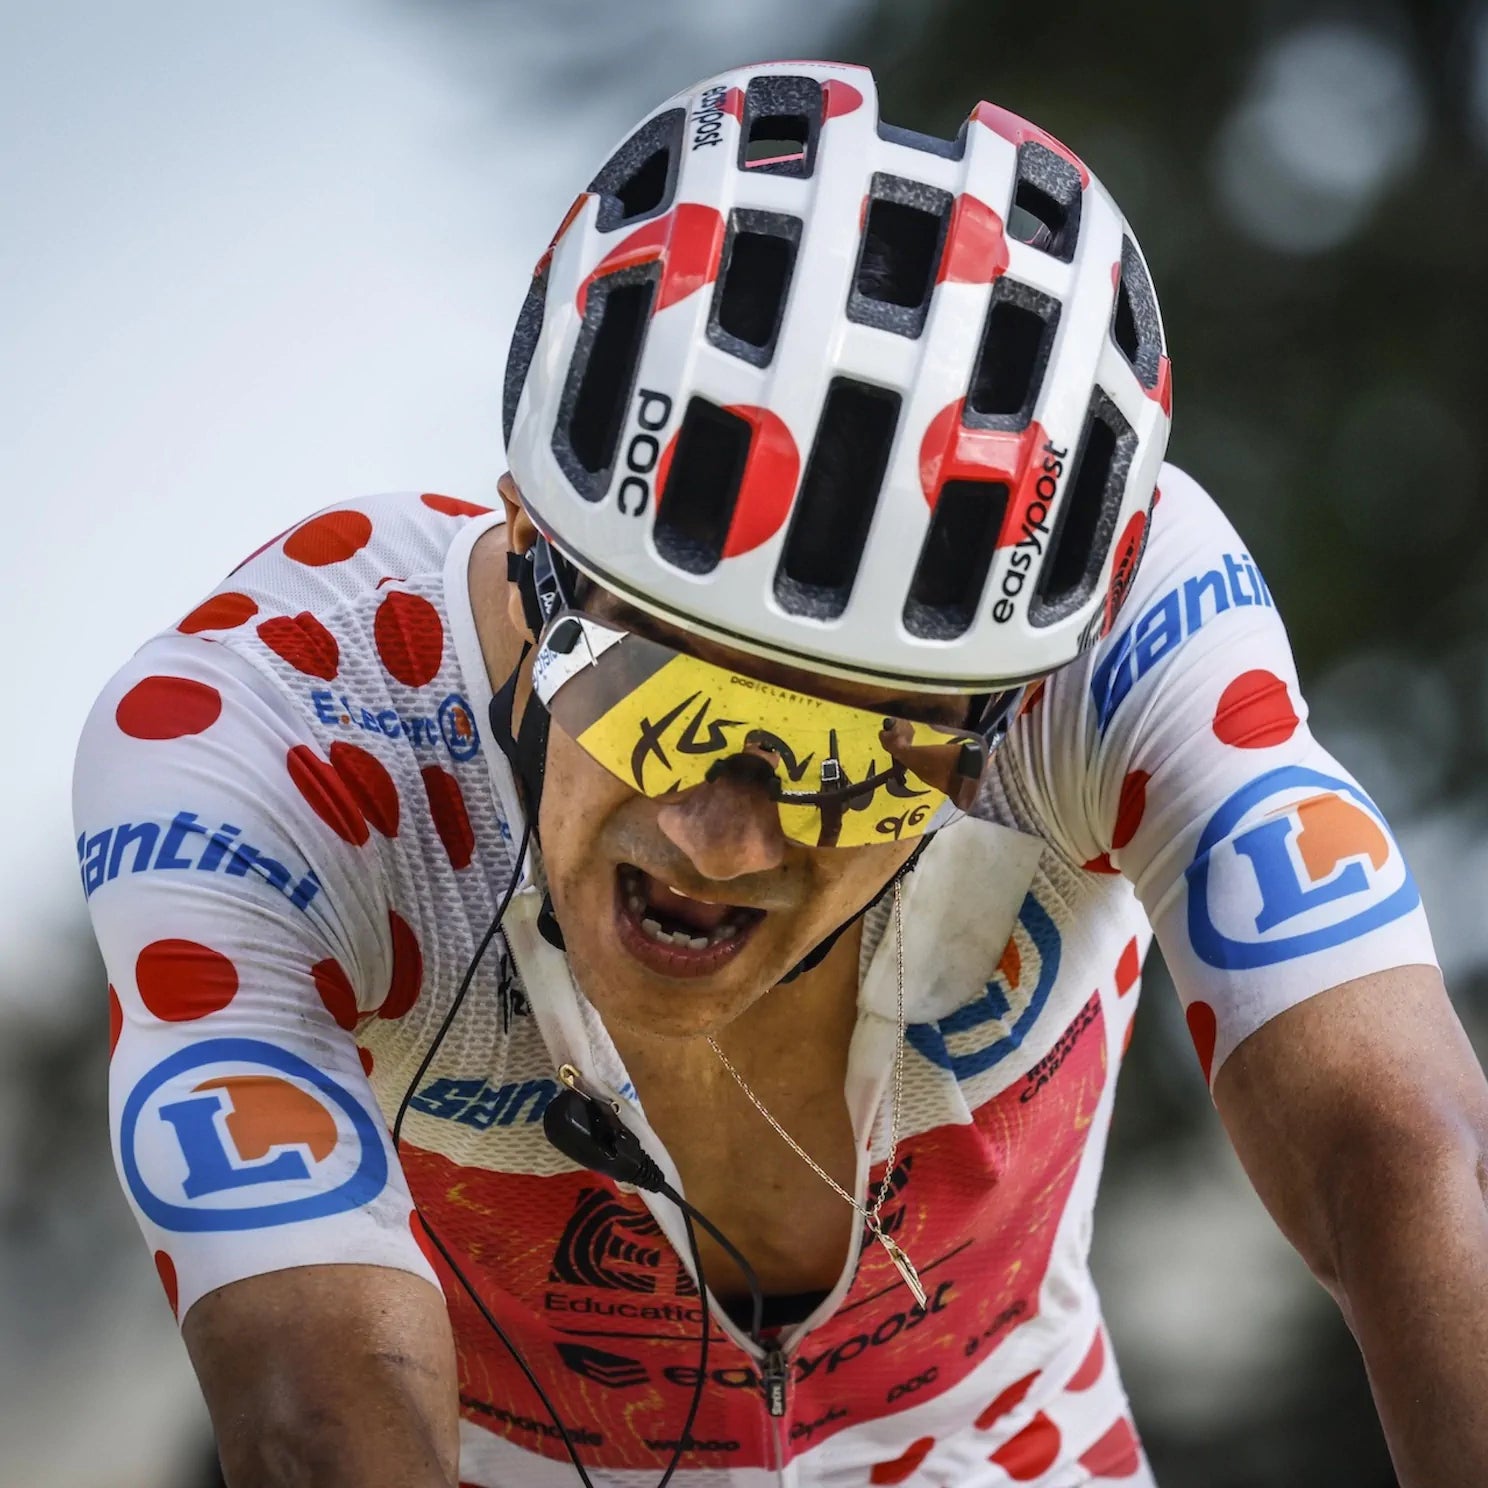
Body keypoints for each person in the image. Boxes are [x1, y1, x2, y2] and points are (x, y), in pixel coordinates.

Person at [73, 60, 1488, 1488]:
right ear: (531, 556)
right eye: (658, 700)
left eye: (852, 763)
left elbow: (1406, 1158)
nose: (723, 838)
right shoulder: (278, 736)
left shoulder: (1119, 635)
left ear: (1008, 705)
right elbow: (318, 1422)